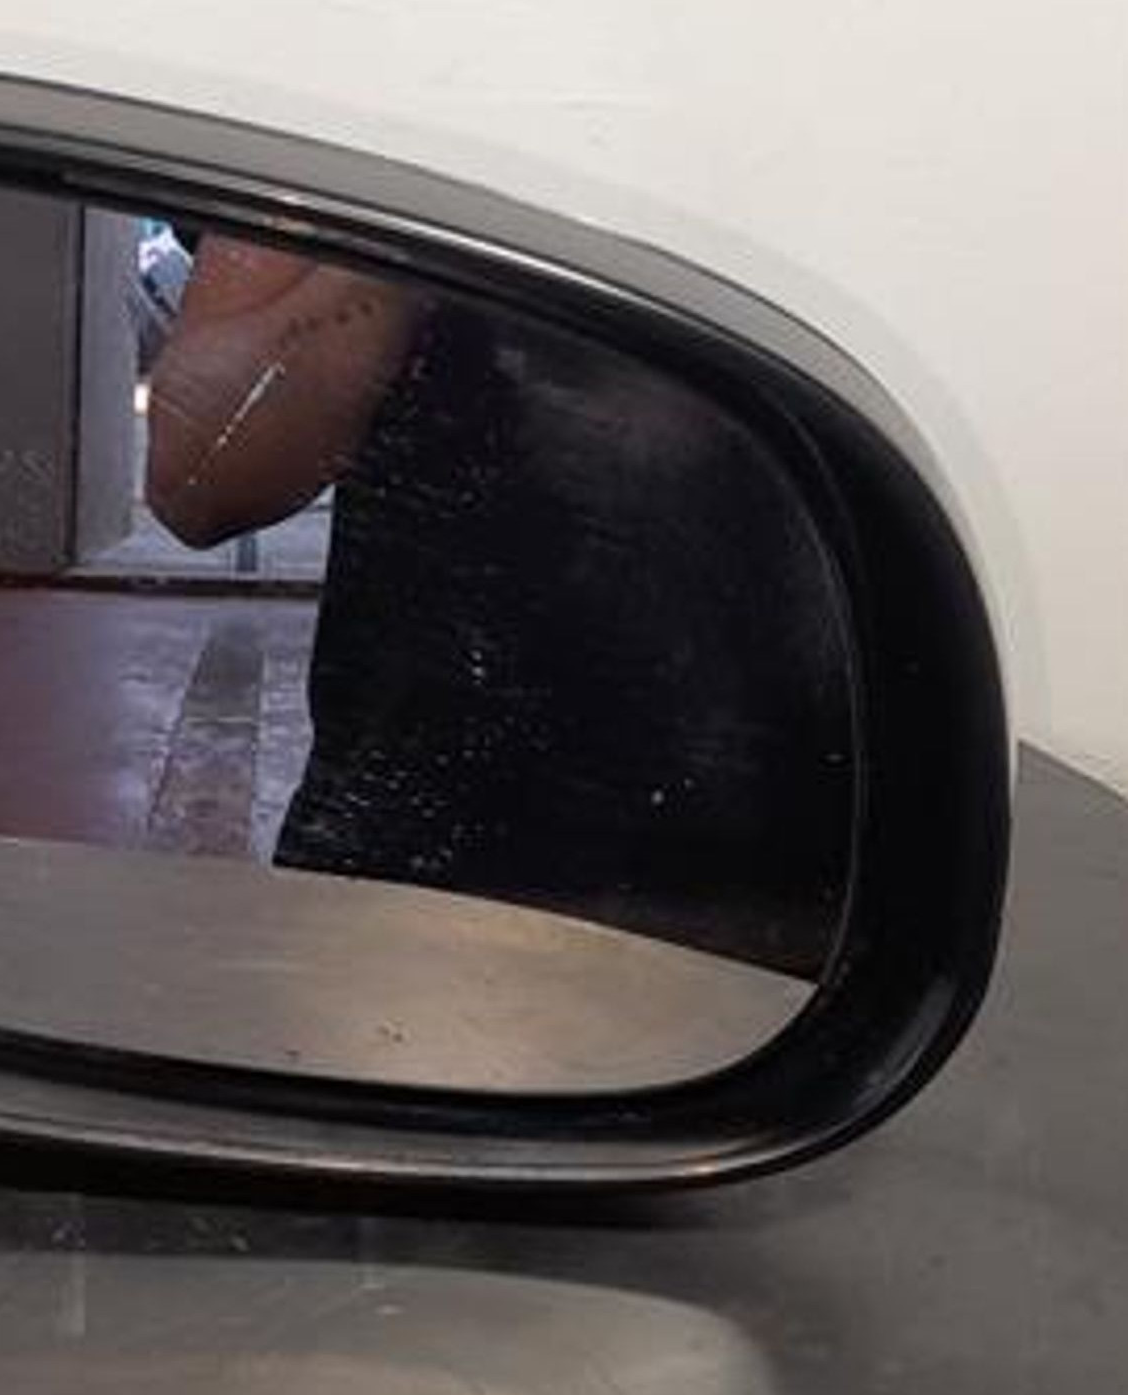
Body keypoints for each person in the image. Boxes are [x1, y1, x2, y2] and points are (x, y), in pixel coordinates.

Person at [143, 236, 855, 973]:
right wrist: (416, 232)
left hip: (806, 884)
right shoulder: (428, 171)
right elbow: (200, 477)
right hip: (424, 876)